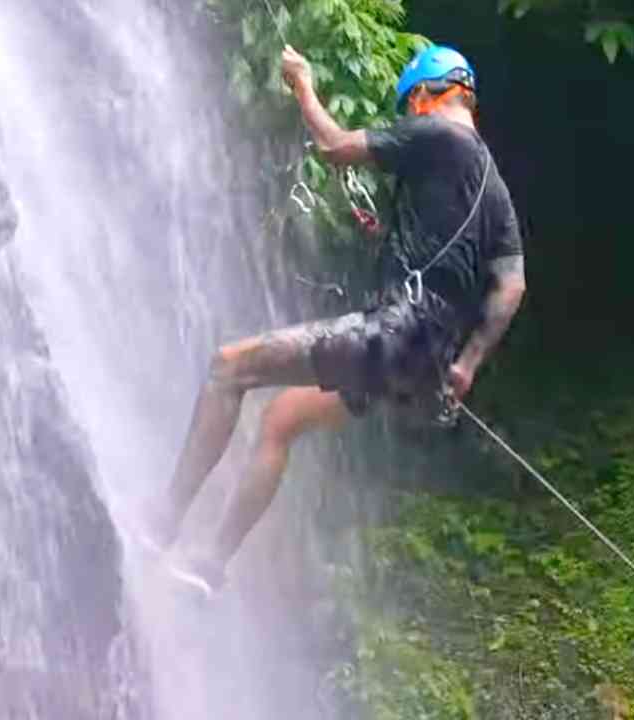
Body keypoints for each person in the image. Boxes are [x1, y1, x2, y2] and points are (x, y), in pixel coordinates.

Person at [140, 43, 527, 595]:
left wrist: (302, 81)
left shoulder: (437, 132)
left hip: (397, 332)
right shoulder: (493, 185)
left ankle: (163, 523)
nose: (408, 116)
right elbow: (512, 284)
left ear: (422, 95)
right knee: (280, 420)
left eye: (407, 105)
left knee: (229, 369)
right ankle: (207, 566)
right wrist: (465, 366)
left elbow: (334, 145)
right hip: (429, 359)